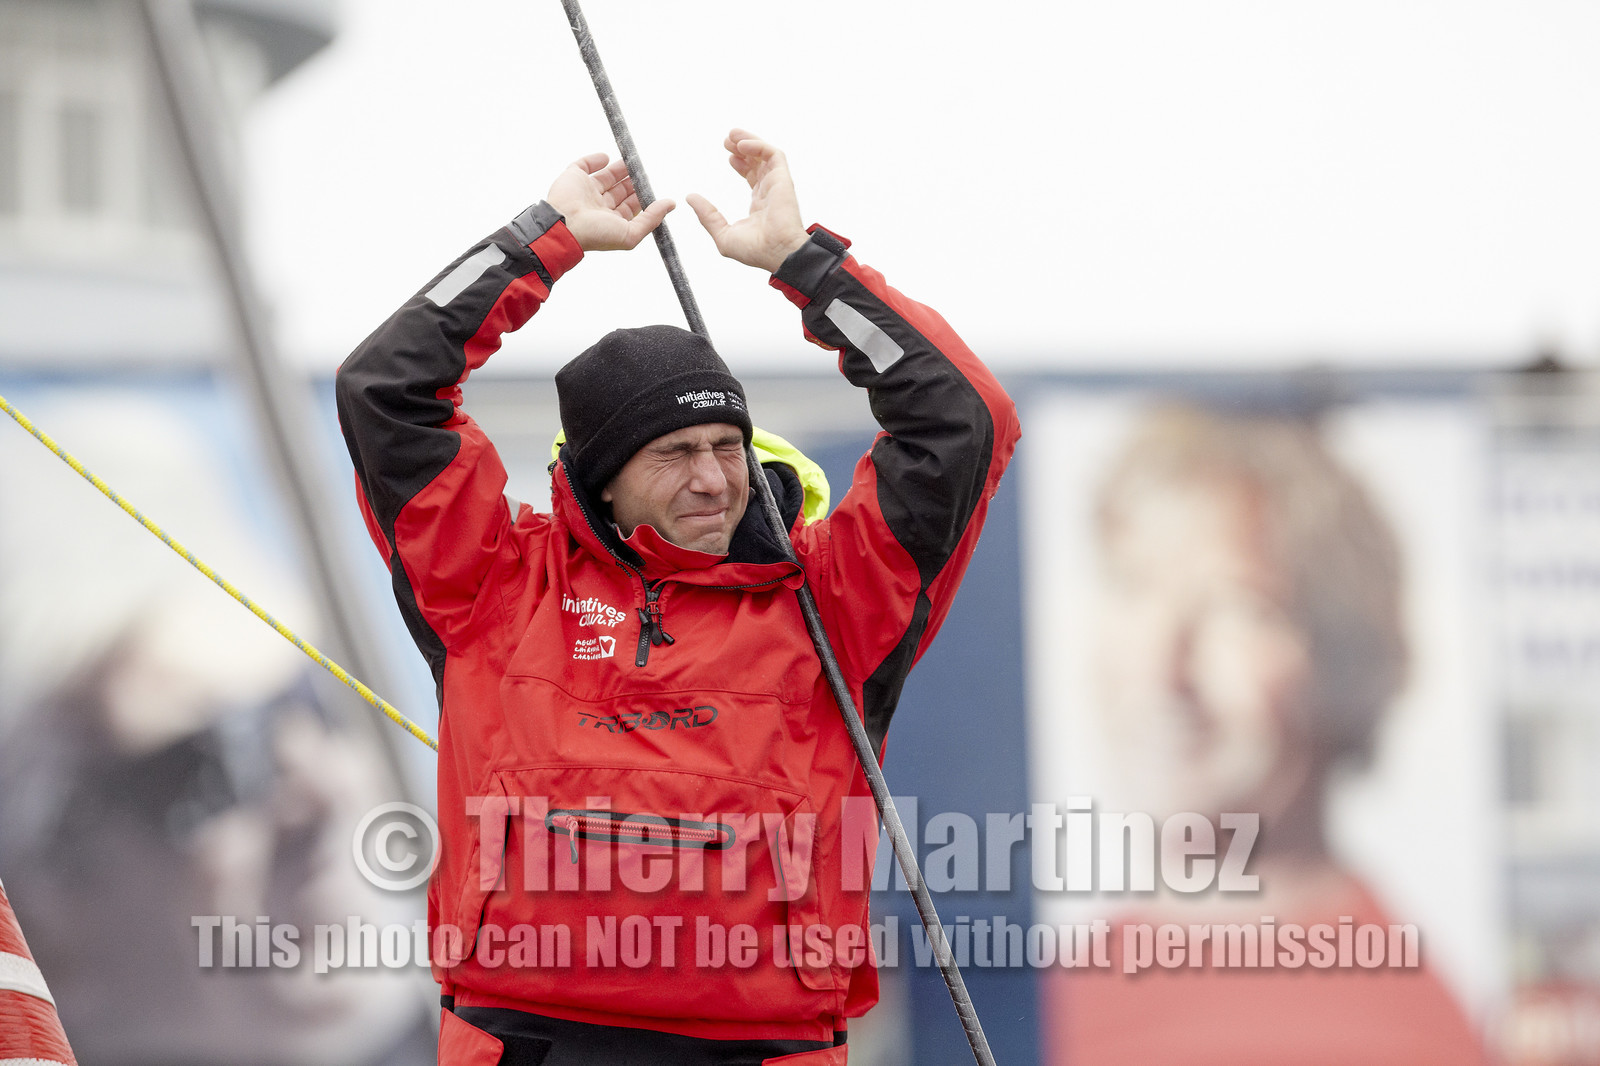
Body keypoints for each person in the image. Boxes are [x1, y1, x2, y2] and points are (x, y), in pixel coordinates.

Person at [335, 129, 1020, 1063]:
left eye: (727, 447)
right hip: (521, 1041)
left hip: (763, 1046)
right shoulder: (495, 581)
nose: (712, 479)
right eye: (674, 454)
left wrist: (806, 265)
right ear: (603, 480)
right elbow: (386, 387)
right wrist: (545, 239)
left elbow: (963, 414)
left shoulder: (837, 597)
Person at [1040, 405, 1487, 1066]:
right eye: (1132, 586)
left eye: (1236, 606)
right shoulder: (1065, 991)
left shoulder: (1385, 1038)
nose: (1162, 669)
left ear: (1346, 658)